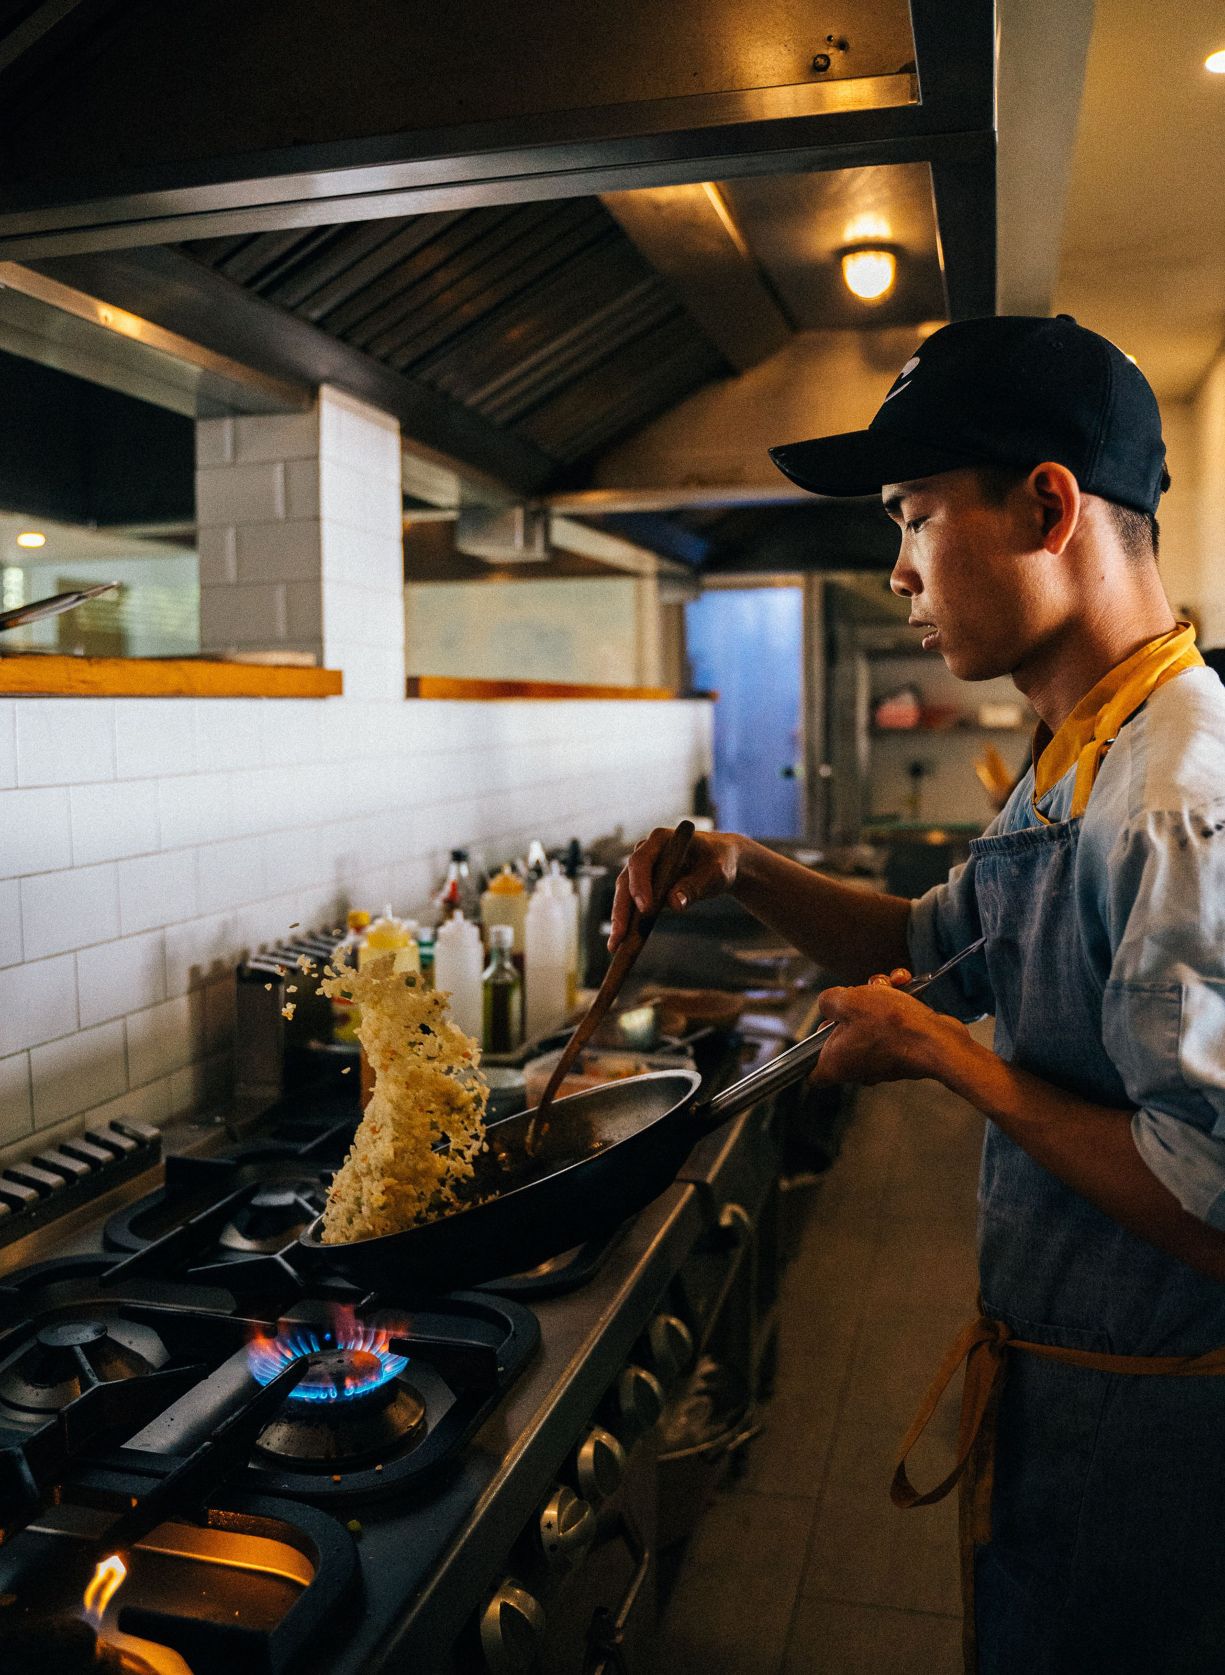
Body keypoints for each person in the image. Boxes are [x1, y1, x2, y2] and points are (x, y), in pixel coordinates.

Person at [610, 316, 1225, 1675]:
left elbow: (1211, 1203)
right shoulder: (1083, 752)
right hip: (1068, 1385)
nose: (895, 570)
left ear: (1047, 508)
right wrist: (742, 865)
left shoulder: (1174, 798)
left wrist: (948, 1057)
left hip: (1161, 1446)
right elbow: (934, 938)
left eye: (913, 516)